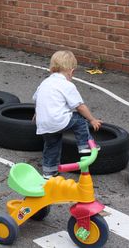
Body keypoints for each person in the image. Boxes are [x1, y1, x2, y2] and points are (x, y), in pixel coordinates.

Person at [32, 50, 102, 179]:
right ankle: (84, 145)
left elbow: (37, 100)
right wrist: (92, 120)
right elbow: (79, 106)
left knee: (51, 145)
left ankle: (49, 172)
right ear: (72, 71)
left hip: (43, 123)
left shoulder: (44, 83)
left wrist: (37, 115)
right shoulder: (67, 85)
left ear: (52, 69)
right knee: (80, 119)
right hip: (57, 121)